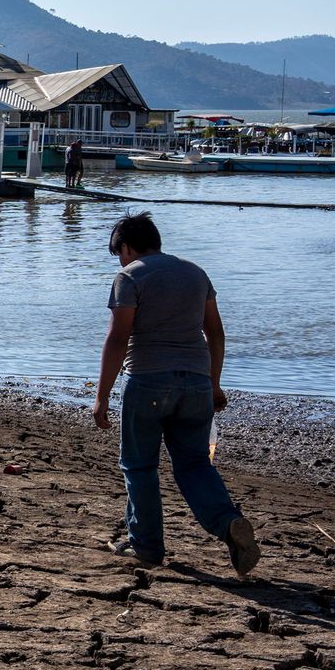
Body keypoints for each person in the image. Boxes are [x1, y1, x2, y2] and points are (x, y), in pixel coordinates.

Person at [94, 212, 259, 576]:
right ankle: (228, 522)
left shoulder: (129, 275)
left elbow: (118, 338)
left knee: (139, 466)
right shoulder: (195, 273)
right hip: (196, 381)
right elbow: (215, 333)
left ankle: (147, 547)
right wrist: (214, 383)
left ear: (126, 246)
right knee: (195, 464)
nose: (120, 260)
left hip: (148, 380)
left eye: (118, 252)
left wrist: (102, 395)